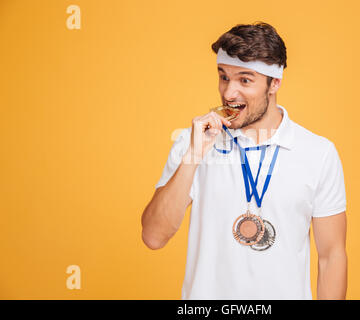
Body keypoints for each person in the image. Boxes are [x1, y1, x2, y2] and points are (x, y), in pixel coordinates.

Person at [141, 22, 347, 300]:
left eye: (245, 80)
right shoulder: (194, 142)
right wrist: (193, 156)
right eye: (224, 77)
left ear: (274, 83)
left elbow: (331, 256)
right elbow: (154, 237)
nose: (228, 93)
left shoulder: (317, 153)